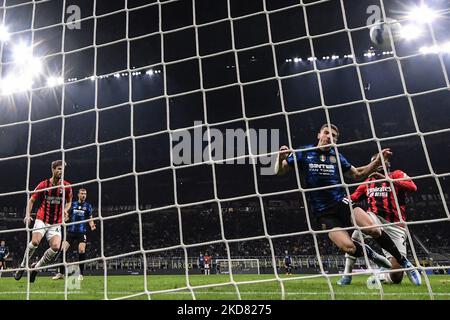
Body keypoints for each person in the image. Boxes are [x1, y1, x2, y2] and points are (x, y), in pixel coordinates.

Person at [276, 124, 421, 285]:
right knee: (348, 247)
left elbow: (358, 174)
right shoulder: (304, 152)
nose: (329, 137)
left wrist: (377, 161)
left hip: (341, 203)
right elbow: (280, 171)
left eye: (334, 136)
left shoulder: (337, 156)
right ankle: (369, 254)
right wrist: (280, 157)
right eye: (326, 133)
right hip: (323, 213)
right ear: (319, 135)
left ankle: (405, 263)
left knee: (373, 229)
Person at [337, 153, 419, 285]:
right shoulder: (368, 183)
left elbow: (413, 187)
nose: (380, 163)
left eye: (383, 161)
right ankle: (347, 274)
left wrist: (387, 179)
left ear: (388, 164)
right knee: (357, 232)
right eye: (376, 161)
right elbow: (352, 198)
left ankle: (381, 275)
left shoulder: (397, 174)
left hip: (396, 224)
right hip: (374, 218)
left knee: (396, 276)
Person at [15, 160, 72, 283]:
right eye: (58, 169)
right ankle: (23, 266)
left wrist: (66, 210)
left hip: (56, 221)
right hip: (42, 218)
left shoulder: (67, 186)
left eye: (62, 169)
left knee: (56, 247)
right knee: (35, 242)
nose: (60, 171)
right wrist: (28, 215)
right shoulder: (44, 184)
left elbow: (69, 202)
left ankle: (36, 268)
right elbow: (31, 200)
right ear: (53, 169)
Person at [52, 188, 95, 281]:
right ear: (78, 195)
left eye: (85, 194)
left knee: (81, 250)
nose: (84, 195)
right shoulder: (73, 204)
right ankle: (61, 273)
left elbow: (90, 217)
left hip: (81, 232)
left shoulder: (88, 206)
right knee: (63, 249)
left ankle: (81, 274)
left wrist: (92, 225)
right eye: (82, 194)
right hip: (71, 231)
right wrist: (64, 219)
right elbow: (67, 216)